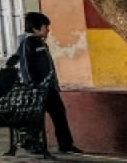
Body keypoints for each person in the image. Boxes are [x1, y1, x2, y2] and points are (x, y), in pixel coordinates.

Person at [16, 12, 81, 155]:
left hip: (49, 89)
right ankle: (33, 145)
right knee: (35, 120)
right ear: (36, 28)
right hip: (36, 90)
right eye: (46, 26)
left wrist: (54, 85)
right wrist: (33, 87)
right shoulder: (27, 43)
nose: (48, 30)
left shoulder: (41, 43)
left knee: (59, 115)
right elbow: (26, 68)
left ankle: (66, 144)